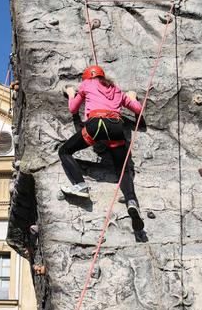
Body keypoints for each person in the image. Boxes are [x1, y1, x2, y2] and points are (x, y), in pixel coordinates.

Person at [58, 65, 144, 231]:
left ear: (87, 78)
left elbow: (73, 108)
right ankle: (131, 202)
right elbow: (138, 110)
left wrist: (71, 94)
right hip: (116, 128)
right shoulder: (117, 90)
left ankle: (80, 185)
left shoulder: (86, 85)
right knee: (123, 170)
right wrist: (132, 97)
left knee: (65, 151)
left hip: (96, 125)